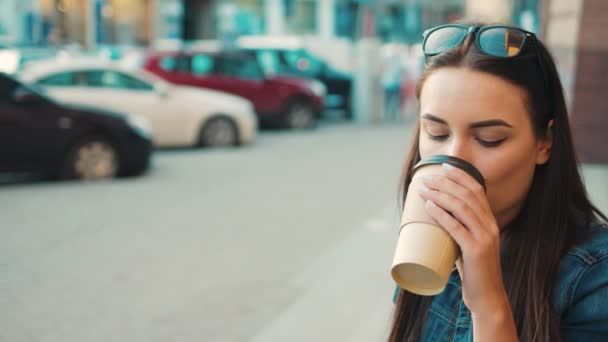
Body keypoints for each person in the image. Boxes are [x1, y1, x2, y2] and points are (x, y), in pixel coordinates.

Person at [389, 22, 608, 342]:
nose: (454, 161)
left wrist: (489, 303)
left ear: (544, 142)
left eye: (489, 139)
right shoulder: (427, 240)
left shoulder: (592, 276)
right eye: (437, 133)